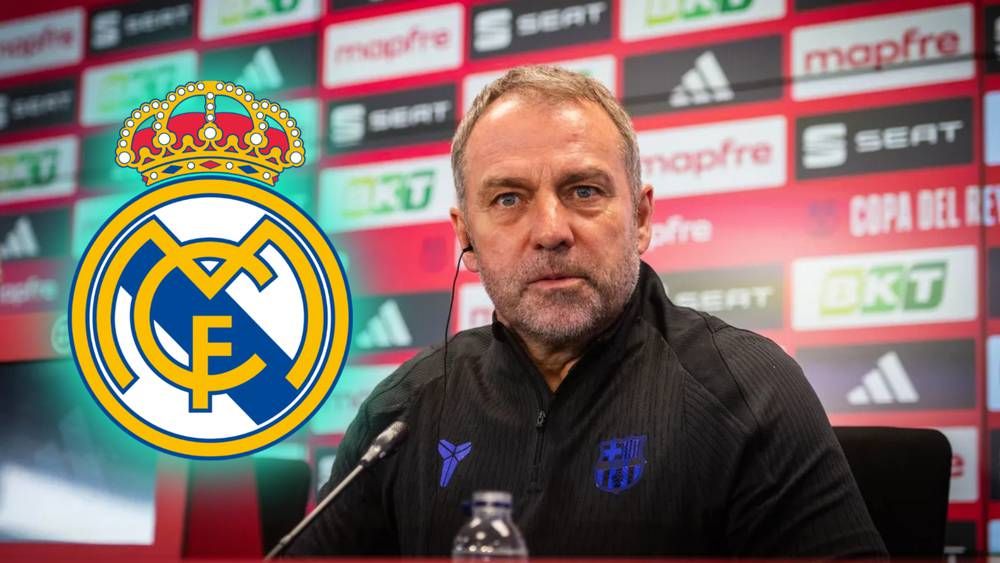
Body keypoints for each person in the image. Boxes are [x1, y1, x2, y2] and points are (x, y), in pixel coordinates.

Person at [287, 66, 887, 557]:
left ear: (641, 218)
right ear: (465, 234)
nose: (551, 231)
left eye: (584, 191)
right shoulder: (400, 414)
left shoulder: (749, 390)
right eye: (508, 199)